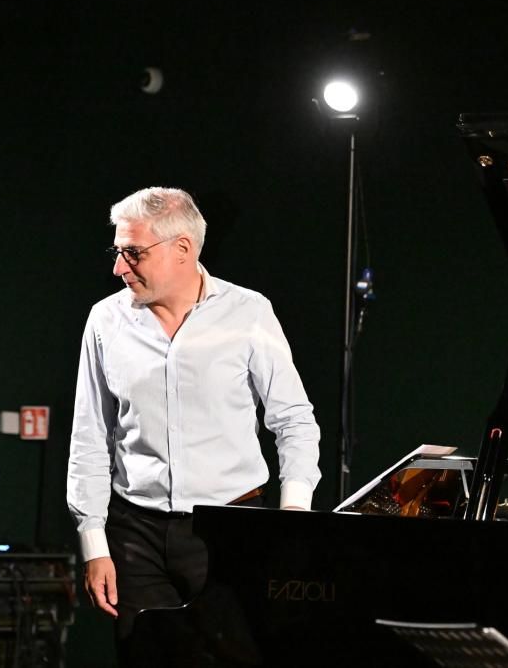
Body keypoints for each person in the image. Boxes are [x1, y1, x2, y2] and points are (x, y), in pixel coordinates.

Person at [66, 187, 321, 664]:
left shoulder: (248, 312)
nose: (119, 267)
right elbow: (90, 435)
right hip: (136, 532)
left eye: (133, 253)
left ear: (182, 248)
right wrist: (94, 543)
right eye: (117, 252)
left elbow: (293, 419)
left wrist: (293, 515)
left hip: (231, 531)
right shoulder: (105, 320)